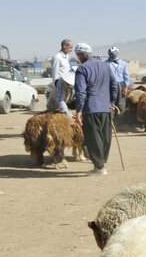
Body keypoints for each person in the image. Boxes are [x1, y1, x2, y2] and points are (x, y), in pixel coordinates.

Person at [73, 43, 118, 176]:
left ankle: (99, 167)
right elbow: (114, 85)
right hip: (105, 108)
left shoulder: (82, 69)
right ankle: (101, 163)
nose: (78, 58)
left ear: (81, 55)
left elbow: (80, 92)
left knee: (93, 137)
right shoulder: (105, 65)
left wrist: (79, 110)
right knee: (105, 136)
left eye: (78, 56)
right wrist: (111, 102)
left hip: (90, 108)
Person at [50, 38, 73, 118]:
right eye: (70, 47)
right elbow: (54, 72)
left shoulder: (66, 57)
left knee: (65, 100)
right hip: (60, 81)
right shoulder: (57, 57)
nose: (71, 49)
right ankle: (67, 115)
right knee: (60, 100)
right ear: (64, 46)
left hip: (67, 82)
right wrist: (56, 85)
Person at [105, 46, 131, 114]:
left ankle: (120, 120)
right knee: (111, 102)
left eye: (113, 54)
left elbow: (126, 76)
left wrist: (126, 87)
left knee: (121, 102)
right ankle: (111, 119)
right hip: (109, 85)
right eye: (111, 54)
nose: (112, 55)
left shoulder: (123, 63)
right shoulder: (105, 63)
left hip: (120, 85)